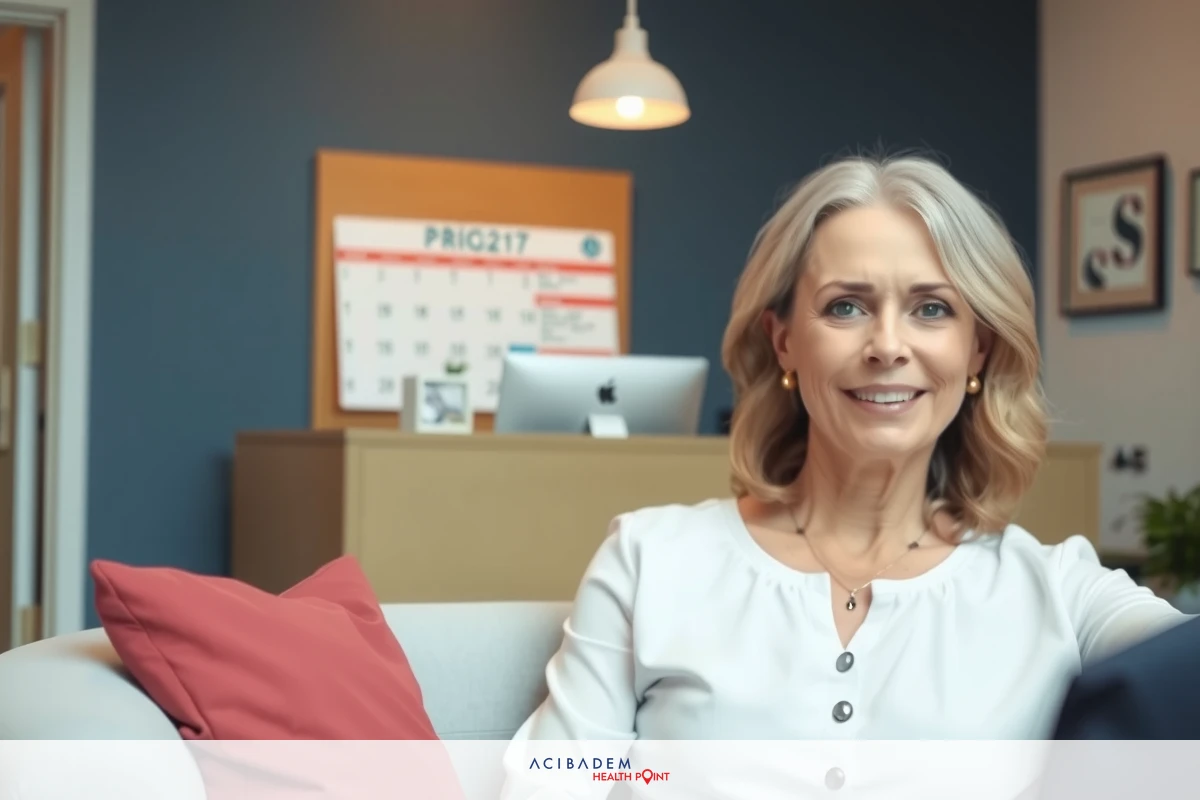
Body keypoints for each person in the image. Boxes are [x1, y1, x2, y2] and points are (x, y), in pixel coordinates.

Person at [509, 154, 1187, 747]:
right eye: (845, 307)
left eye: (931, 309)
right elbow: (565, 774)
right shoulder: (649, 560)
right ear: (783, 342)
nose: (888, 345)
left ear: (977, 349)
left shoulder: (1059, 591)